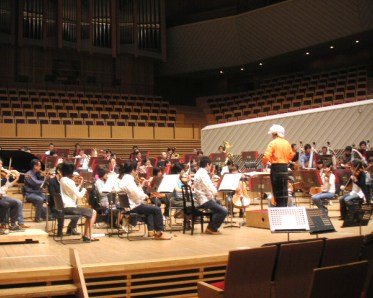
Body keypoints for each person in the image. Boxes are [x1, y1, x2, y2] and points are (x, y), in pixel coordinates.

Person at [117, 161, 172, 240]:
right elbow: (137, 195)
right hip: (133, 206)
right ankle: (159, 233)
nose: (137, 172)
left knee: (150, 209)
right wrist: (146, 196)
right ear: (132, 170)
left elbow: (133, 192)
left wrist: (141, 186)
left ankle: (151, 231)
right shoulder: (129, 180)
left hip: (128, 205)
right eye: (136, 170)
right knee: (157, 209)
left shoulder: (124, 179)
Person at [59, 162, 97, 242]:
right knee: (93, 212)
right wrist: (84, 189)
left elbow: (73, 193)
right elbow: (79, 196)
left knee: (89, 214)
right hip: (70, 207)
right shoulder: (69, 181)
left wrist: (80, 185)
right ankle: (87, 235)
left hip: (66, 207)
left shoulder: (62, 180)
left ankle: (86, 235)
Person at [262, 124, 294, 207]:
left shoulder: (273, 143)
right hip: (284, 167)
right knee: (284, 189)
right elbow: (291, 155)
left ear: (275, 133)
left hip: (276, 168)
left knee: (277, 189)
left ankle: (279, 207)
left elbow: (266, 156)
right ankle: (284, 205)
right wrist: (285, 160)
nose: (272, 136)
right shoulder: (287, 143)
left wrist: (265, 163)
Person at [194, 156, 227, 235]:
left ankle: (212, 226)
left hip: (203, 198)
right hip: (204, 200)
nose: (211, 167)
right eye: (211, 165)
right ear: (208, 164)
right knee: (223, 211)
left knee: (219, 206)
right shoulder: (203, 174)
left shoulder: (199, 172)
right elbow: (209, 186)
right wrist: (216, 192)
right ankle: (211, 228)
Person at [48, 163, 80, 237]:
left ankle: (70, 229)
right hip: (55, 204)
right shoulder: (52, 181)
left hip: (65, 204)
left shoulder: (66, 181)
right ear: (59, 171)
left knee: (77, 209)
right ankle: (59, 231)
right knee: (60, 210)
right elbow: (53, 195)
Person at [0, 158, 30, 229]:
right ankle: (4, 224)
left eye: (1, 164)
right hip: (1, 197)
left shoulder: (2, 174)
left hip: (3, 195)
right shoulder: (3, 176)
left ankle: (14, 224)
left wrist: (16, 178)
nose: (1, 165)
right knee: (6, 204)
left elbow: (7, 186)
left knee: (18, 202)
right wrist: (6, 178)